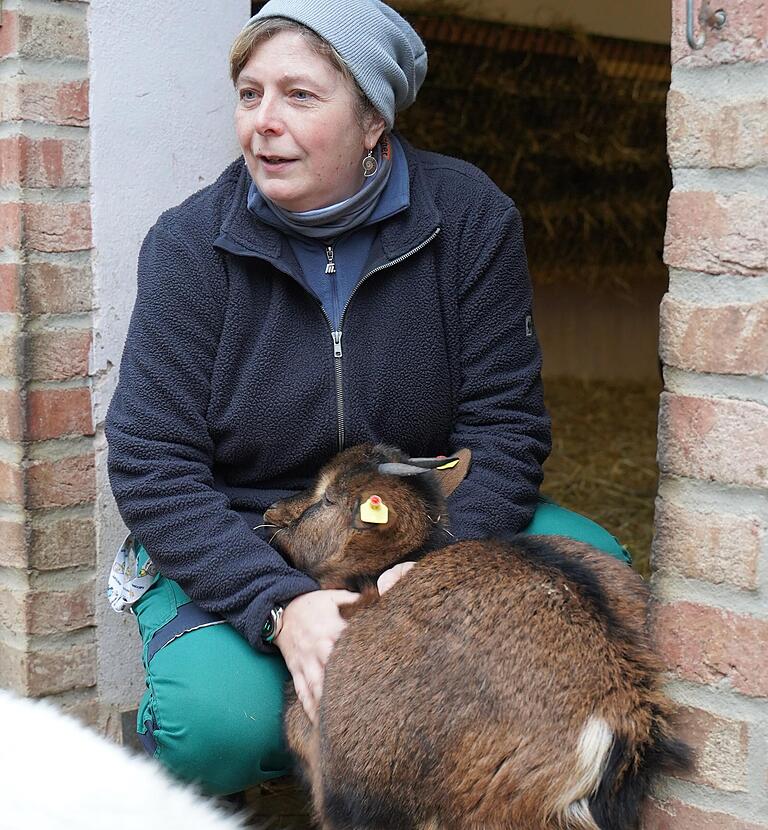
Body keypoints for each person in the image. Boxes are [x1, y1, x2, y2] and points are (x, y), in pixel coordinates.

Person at [105, 0, 630, 797]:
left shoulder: (470, 219)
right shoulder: (190, 246)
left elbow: (507, 428)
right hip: (256, 533)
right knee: (222, 727)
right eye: (250, 94)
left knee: (604, 582)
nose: (263, 124)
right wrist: (280, 605)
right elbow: (152, 464)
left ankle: (483, 788)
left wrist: (438, 568)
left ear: (374, 119)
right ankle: (166, 750)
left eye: (300, 96)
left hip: (426, 518)